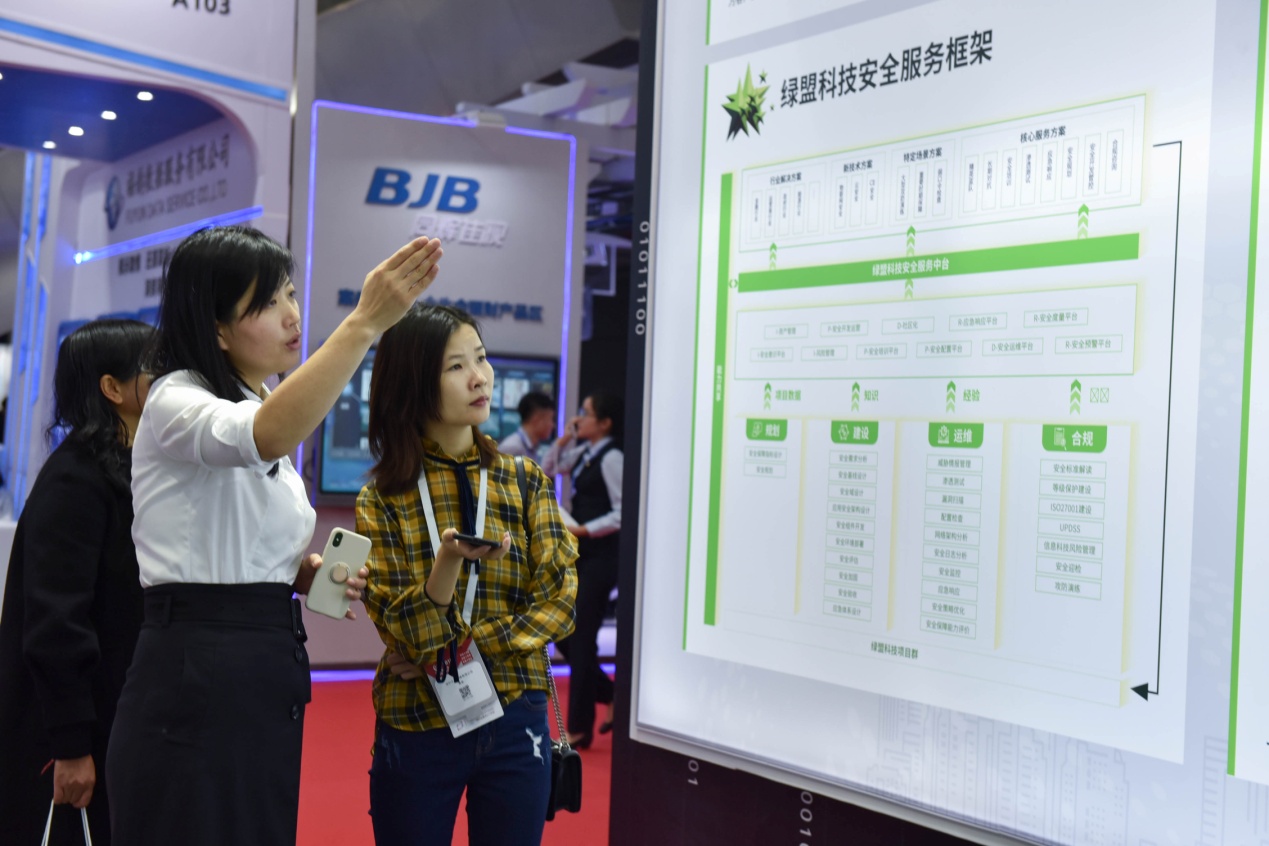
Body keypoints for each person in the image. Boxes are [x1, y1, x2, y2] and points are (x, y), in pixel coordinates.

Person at [106, 225, 442, 846]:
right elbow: (266, 435)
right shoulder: (177, 398)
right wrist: (363, 323)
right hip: (198, 666)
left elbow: (232, 518)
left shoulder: (252, 398)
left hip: (258, 661)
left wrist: (294, 571)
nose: (292, 315)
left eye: (289, 294)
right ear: (216, 329)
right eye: (267, 303)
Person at [357, 304, 578, 846]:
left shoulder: (525, 480)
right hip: (418, 721)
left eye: (480, 358)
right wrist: (447, 567)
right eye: (456, 366)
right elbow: (404, 629)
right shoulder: (382, 498)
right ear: (414, 384)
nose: (480, 377)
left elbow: (559, 602)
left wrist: (457, 649)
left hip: (516, 715)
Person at [0, 319, 153, 846]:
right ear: (113, 388)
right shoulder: (75, 479)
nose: (167, 378)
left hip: (113, 717)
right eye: (152, 367)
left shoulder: (127, 470)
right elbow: (55, 623)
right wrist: (70, 746)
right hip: (69, 735)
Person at [541, 393, 623, 748]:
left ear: (604, 423)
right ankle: (610, 693)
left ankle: (578, 727)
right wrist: (565, 439)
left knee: (581, 637)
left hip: (602, 557)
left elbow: (622, 511)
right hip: (582, 554)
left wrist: (586, 529)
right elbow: (548, 468)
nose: (579, 419)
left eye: (585, 414)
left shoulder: (613, 458)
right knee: (564, 633)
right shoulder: (585, 453)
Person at [497, 390, 555, 461]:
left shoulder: (528, 447)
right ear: (536, 420)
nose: (552, 425)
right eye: (550, 419)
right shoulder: (514, 448)